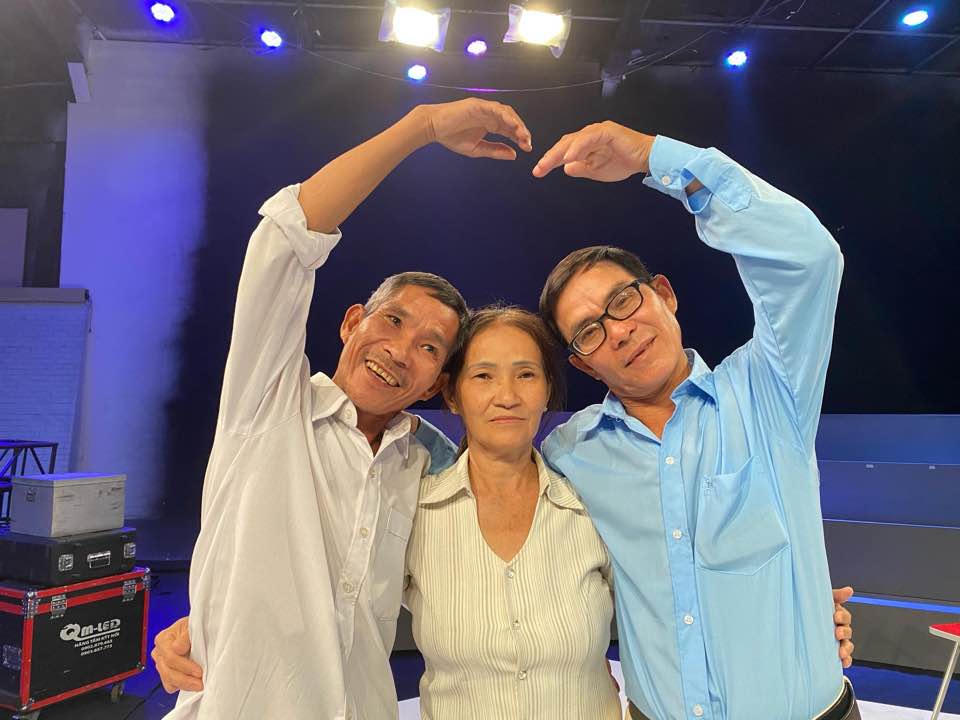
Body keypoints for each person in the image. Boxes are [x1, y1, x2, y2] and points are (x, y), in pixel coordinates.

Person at [159, 97, 533, 720]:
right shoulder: (268, 401)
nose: (400, 352)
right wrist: (421, 127)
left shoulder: (430, 465)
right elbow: (286, 237)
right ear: (352, 322)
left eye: (429, 347)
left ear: (436, 381)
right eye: (392, 321)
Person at [533, 121, 859, 719]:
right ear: (583, 363)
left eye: (623, 301)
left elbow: (809, 259)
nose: (618, 331)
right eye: (589, 332)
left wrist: (651, 156)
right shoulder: (569, 456)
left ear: (665, 294)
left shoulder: (769, 389)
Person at [405, 306, 620, 718]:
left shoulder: (590, 507)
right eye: (483, 376)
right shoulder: (416, 512)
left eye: (526, 375)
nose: (507, 397)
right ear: (452, 395)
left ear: (547, 391)